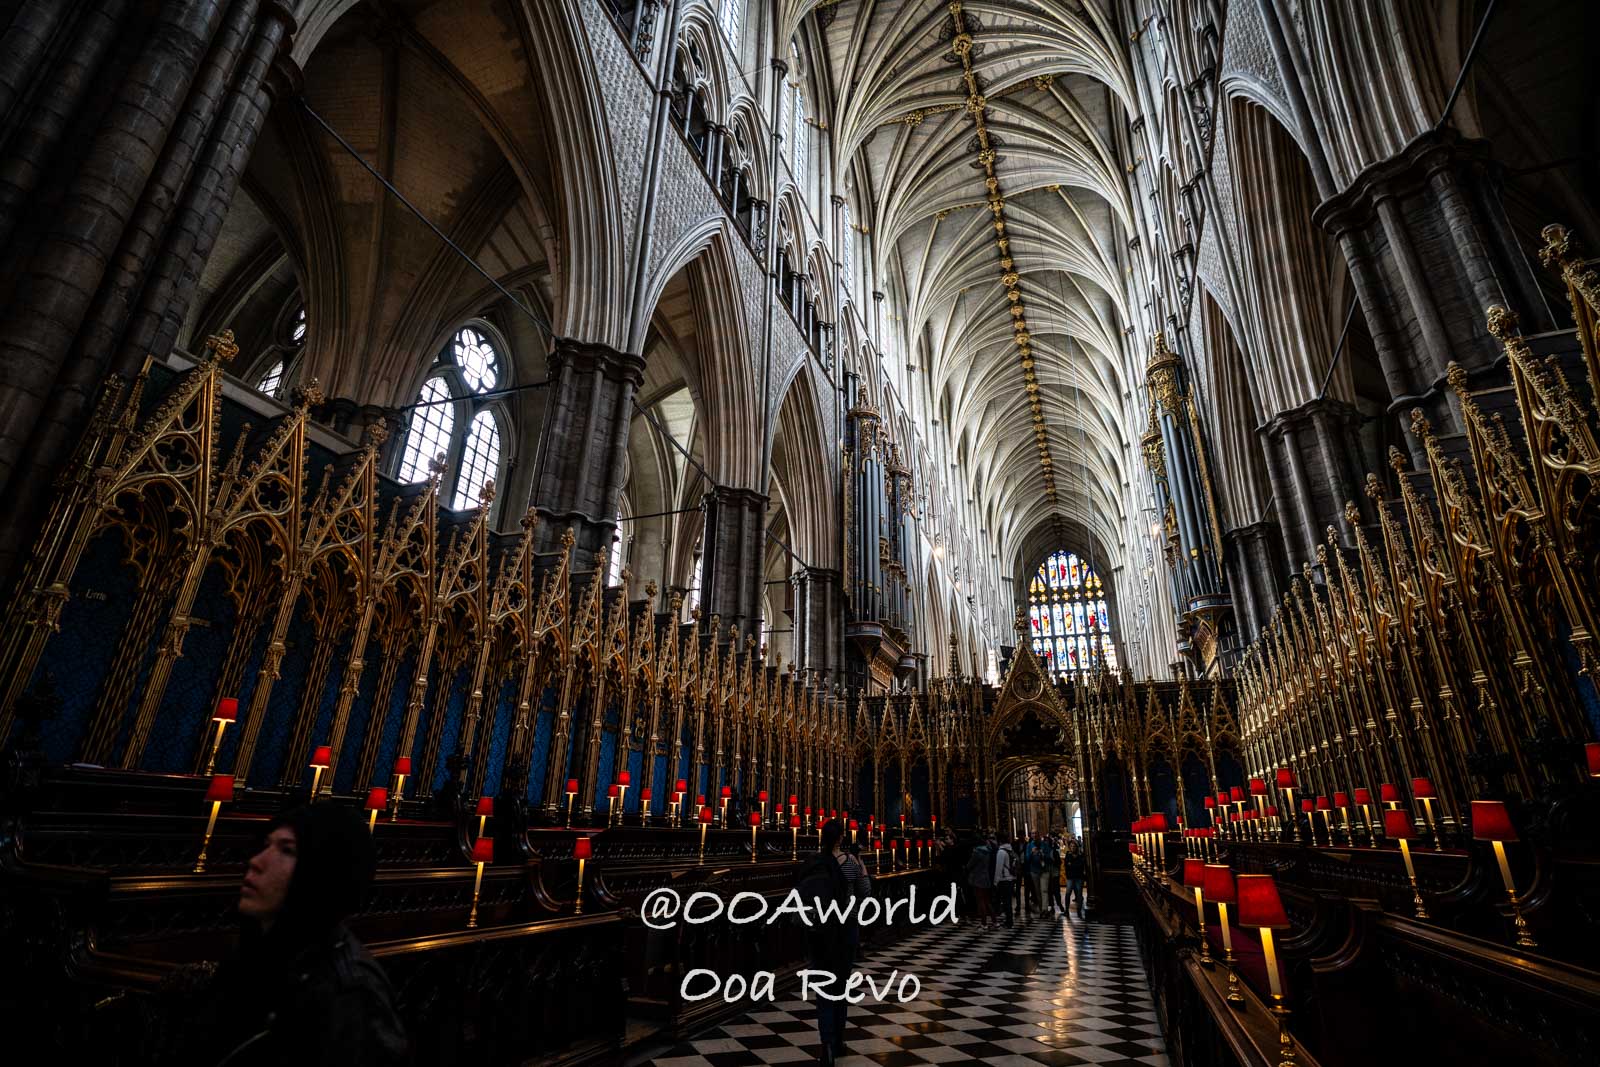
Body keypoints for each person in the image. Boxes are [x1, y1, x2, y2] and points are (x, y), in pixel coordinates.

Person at [189, 803, 409, 1066]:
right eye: (266, 845)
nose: (257, 862)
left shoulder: (351, 993)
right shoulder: (254, 954)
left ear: (321, 872)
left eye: (287, 850)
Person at [797, 819, 860, 1065]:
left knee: (823, 990)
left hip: (819, 930)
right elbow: (865, 892)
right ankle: (839, 1041)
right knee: (840, 988)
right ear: (841, 838)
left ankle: (826, 1045)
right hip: (845, 929)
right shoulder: (851, 863)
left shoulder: (812, 861)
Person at [966, 834, 994, 928]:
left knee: (980, 901)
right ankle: (995, 922)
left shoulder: (977, 852)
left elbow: (970, 865)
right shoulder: (987, 851)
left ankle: (984, 923)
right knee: (987, 901)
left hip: (978, 878)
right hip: (986, 877)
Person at [991, 835, 1016, 929]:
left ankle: (1009, 922)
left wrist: (995, 881)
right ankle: (1009, 920)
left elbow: (999, 867)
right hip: (1010, 878)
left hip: (1004, 879)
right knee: (1008, 901)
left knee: (1006, 902)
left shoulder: (1001, 852)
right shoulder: (1010, 850)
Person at [1063, 837, 1087, 918]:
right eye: (1071, 846)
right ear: (1069, 847)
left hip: (1079, 877)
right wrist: (1073, 865)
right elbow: (1066, 865)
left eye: (1074, 846)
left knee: (1079, 894)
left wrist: (1072, 865)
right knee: (1068, 893)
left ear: (1076, 847)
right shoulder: (1068, 854)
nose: (1072, 848)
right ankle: (1066, 910)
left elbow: (1080, 865)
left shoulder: (1080, 855)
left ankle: (1079, 911)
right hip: (1070, 877)